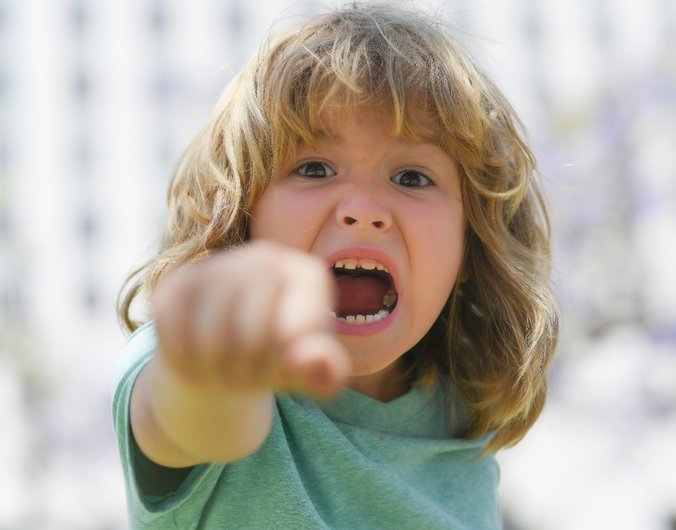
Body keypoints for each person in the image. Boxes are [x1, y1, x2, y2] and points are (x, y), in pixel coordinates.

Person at [113, 3, 559, 528]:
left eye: (413, 177)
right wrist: (209, 370)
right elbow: (197, 420)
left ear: (469, 247)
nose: (363, 210)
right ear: (242, 218)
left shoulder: (459, 416)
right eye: (315, 168)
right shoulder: (197, 358)